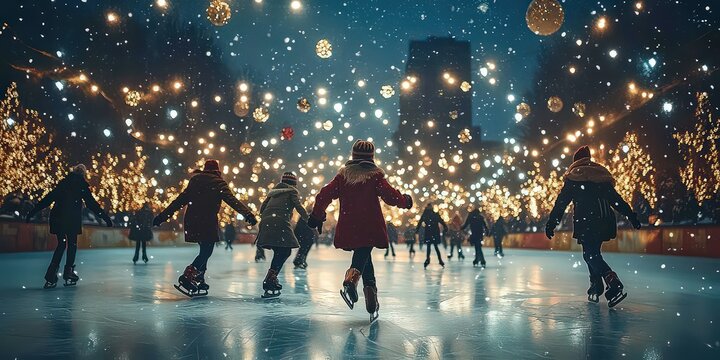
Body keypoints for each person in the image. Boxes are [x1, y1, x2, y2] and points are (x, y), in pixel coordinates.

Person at [307, 140, 413, 322]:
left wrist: (317, 215)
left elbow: (323, 194)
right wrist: (405, 200)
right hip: (370, 224)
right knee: (365, 250)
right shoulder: (375, 177)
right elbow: (390, 196)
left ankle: (371, 297)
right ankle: (352, 279)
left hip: (350, 224)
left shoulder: (343, 177)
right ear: (372, 157)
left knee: (364, 254)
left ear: (353, 156)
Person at [545, 146, 641, 307]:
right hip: (604, 220)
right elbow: (616, 200)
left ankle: (611, 280)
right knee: (592, 252)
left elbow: (561, 204)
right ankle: (596, 285)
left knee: (590, 255)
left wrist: (552, 223)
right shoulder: (600, 175)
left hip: (586, 221)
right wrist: (631, 215)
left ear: (575, 161)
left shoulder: (574, 177)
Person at [153, 160, 257, 297]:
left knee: (204, 249)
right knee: (207, 251)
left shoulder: (195, 181)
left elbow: (179, 201)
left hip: (192, 221)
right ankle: (189, 274)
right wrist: (248, 214)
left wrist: (162, 217)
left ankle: (199, 279)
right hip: (207, 220)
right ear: (217, 171)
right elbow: (232, 201)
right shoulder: (218, 182)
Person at [26, 164, 113, 288]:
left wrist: (32, 212)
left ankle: (51, 274)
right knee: (72, 244)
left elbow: (48, 199)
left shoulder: (63, 184)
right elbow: (92, 204)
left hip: (58, 218)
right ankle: (69, 272)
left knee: (61, 244)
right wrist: (105, 218)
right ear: (83, 174)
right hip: (71, 220)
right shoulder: (82, 186)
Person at [255, 172, 309, 298]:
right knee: (285, 251)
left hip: (266, 222)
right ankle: (271, 278)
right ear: (293, 184)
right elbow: (299, 207)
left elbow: (262, 209)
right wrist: (309, 219)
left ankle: (271, 278)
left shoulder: (273, 192)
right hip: (280, 222)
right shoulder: (292, 191)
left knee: (280, 250)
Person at [416, 203, 448, 269]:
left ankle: (428, 260)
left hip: (429, 232)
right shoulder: (434, 214)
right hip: (435, 232)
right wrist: (445, 227)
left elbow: (420, 222)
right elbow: (441, 221)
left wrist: (417, 230)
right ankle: (440, 260)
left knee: (429, 247)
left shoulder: (425, 214)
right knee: (436, 247)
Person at [293, 205, 317, 269]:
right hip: (307, 236)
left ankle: (300, 260)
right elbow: (312, 227)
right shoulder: (309, 217)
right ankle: (300, 261)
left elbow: (298, 227)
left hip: (304, 236)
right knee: (304, 249)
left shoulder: (303, 217)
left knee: (303, 249)